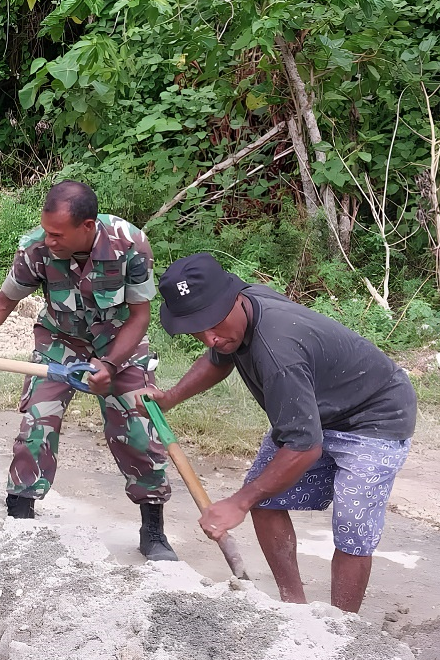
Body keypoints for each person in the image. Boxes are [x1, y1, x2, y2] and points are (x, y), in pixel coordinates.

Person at [144, 252, 416, 613]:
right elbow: (218, 358)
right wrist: (170, 398)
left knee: (352, 523)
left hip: (376, 416)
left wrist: (238, 502)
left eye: (213, 323)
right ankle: (295, 609)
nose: (209, 338)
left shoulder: (278, 352)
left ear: (233, 297)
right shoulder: (238, 316)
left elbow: (304, 448)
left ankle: (343, 629)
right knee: (266, 498)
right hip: (314, 408)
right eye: (197, 329)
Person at [0, 181, 178, 561]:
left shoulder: (131, 244)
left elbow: (140, 316)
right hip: (60, 342)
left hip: (119, 343)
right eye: (46, 230)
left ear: (87, 226)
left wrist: (108, 364)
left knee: (138, 431)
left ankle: (153, 530)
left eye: (58, 233)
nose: (50, 239)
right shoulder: (35, 248)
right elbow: (3, 301)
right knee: (36, 426)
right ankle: (18, 519)